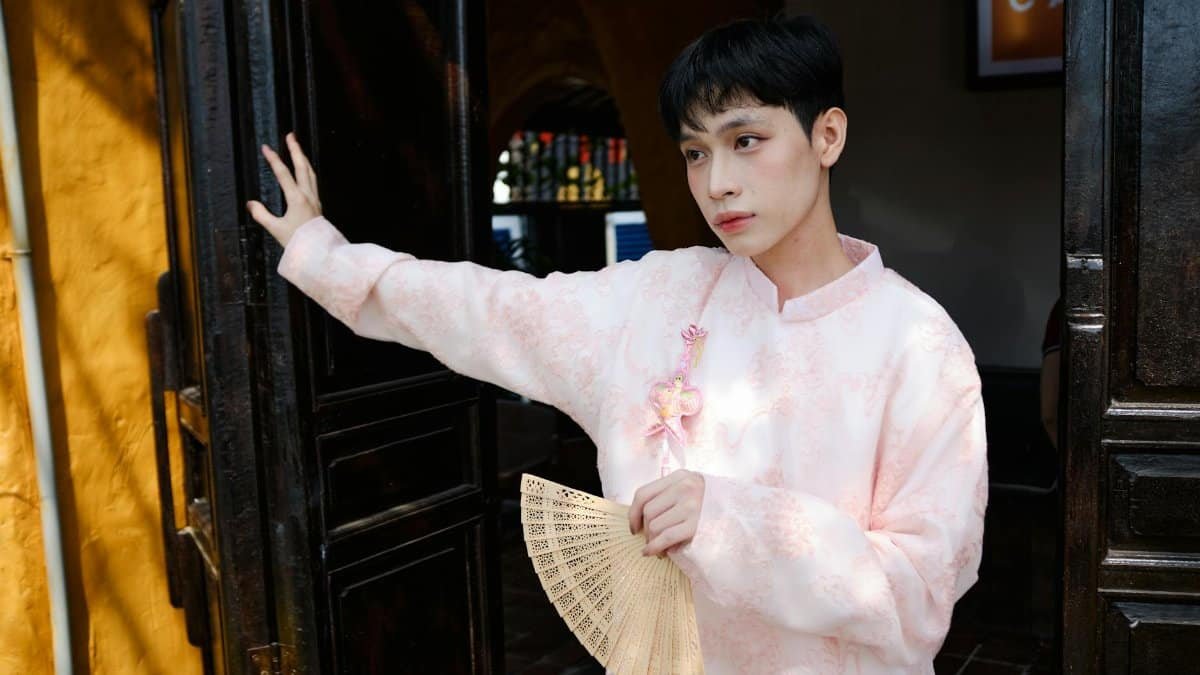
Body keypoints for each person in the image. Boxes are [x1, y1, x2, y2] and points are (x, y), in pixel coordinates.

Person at [247, 16, 987, 673]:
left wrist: (730, 522)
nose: (718, 182)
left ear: (827, 135)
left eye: (747, 141)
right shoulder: (660, 298)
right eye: (696, 153)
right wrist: (325, 255)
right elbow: (493, 308)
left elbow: (918, 594)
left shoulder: (918, 345)